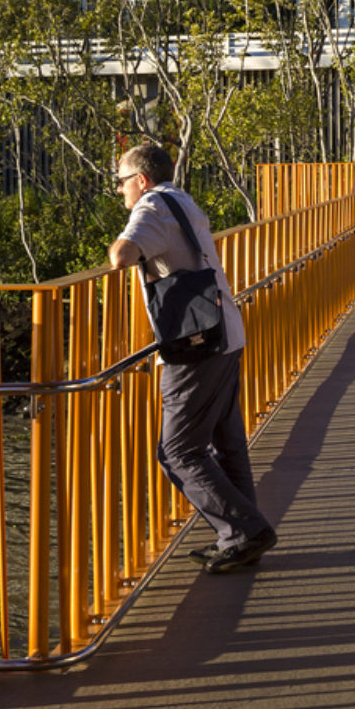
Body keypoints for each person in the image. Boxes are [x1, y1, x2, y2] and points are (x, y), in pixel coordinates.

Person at [108, 142, 276, 574]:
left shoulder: (150, 208)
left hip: (195, 345)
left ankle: (244, 531)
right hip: (224, 330)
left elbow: (120, 258)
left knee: (178, 451)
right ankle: (240, 537)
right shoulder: (181, 200)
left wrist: (122, 239)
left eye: (121, 181)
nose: (120, 191)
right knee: (227, 443)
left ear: (141, 180)